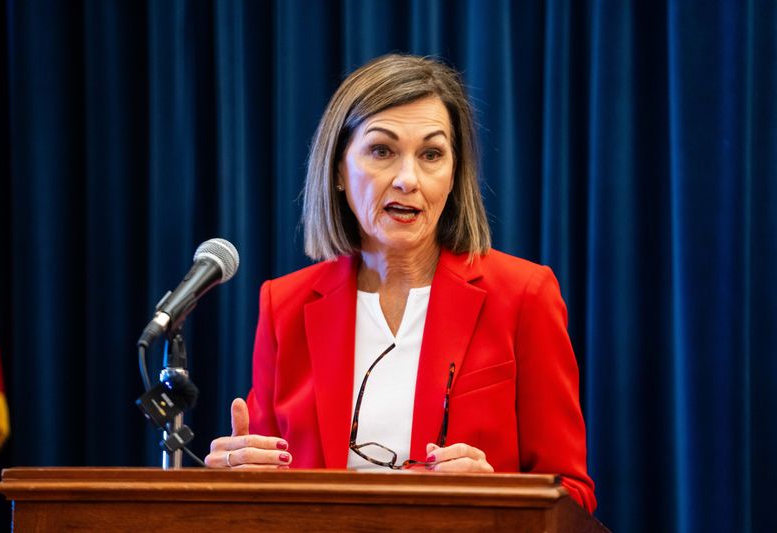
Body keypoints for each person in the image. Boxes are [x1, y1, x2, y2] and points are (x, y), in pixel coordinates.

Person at [205, 54, 596, 513]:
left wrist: (500, 494)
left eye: (431, 154)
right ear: (336, 171)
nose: (408, 179)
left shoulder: (524, 295)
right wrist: (234, 481)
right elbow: (265, 486)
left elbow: (574, 494)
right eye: (382, 151)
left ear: (454, 176)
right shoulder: (284, 305)